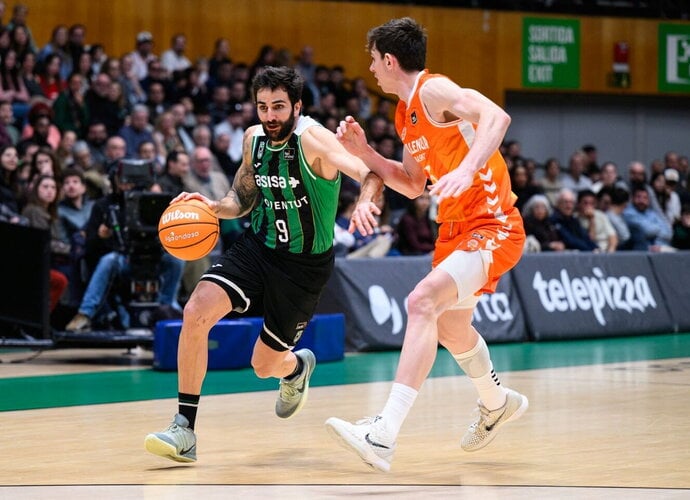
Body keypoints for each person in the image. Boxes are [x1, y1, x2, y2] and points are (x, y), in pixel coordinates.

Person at [144, 66, 383, 463]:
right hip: (258, 246)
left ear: (297, 106)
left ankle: (294, 370)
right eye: (263, 107)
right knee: (196, 310)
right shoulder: (253, 139)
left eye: (278, 107)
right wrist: (212, 207)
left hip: (304, 266)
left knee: (263, 365)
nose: (270, 116)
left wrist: (364, 203)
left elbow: (370, 173)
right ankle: (184, 428)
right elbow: (242, 197)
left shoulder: (315, 141)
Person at [325, 17, 528, 472]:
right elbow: (413, 183)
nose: (371, 69)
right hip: (454, 231)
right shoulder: (405, 114)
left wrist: (468, 168)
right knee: (451, 329)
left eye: (373, 60)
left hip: (493, 224)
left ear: (389, 60)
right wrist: (366, 154)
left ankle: (383, 435)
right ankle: (497, 403)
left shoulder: (433, 90)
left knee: (421, 302)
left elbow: (497, 116)